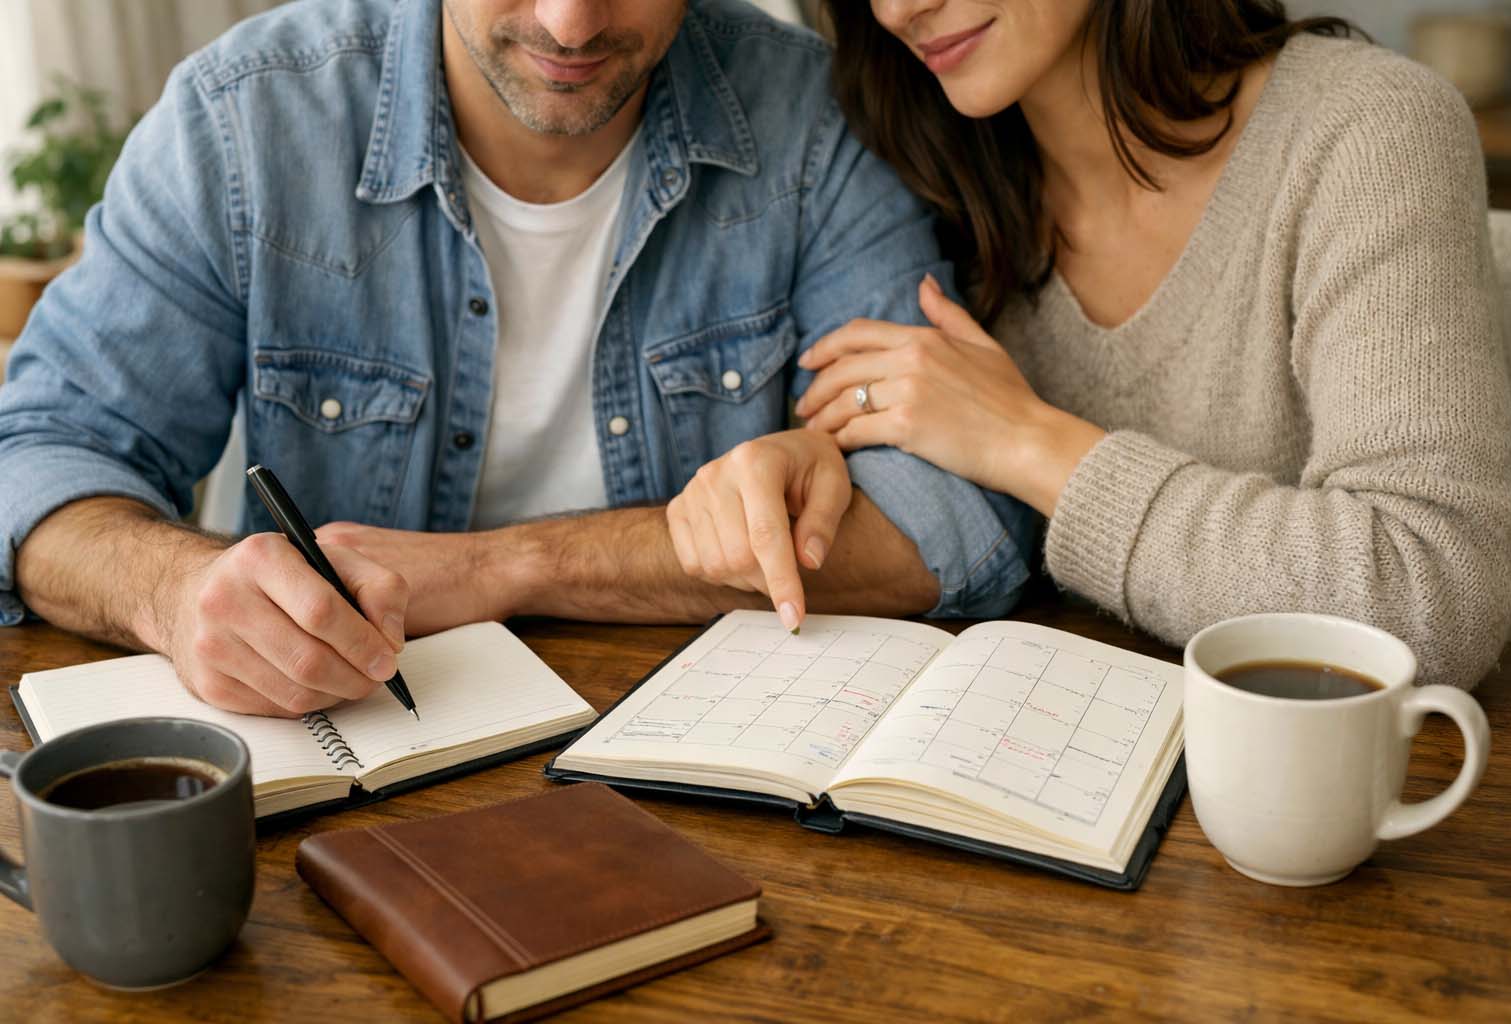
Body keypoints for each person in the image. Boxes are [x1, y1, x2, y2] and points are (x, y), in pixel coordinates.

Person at [0, 0, 1037, 718]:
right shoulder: (243, 124)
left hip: (719, 766)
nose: (568, 25)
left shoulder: (816, 120)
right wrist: (174, 591)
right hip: (343, 765)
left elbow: (944, 520)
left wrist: (502, 568)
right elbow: (38, 459)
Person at [665, 0, 1511, 690]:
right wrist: (813, 455)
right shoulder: (944, 188)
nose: (902, 9)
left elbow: (1435, 589)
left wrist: (1029, 443)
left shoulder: (1366, 131)